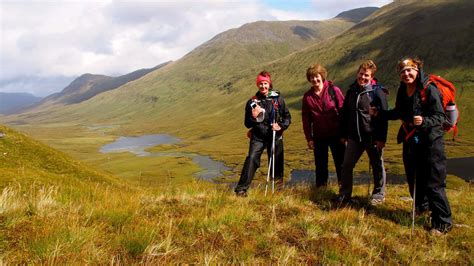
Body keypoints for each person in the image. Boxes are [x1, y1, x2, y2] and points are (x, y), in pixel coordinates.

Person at [373, 57, 452, 234]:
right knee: (414, 178)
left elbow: (440, 116)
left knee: (433, 183)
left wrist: (424, 120)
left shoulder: (429, 89)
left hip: (431, 142)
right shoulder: (403, 90)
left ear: (417, 69)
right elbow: (398, 112)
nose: (406, 74)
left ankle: (443, 223)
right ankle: (422, 209)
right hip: (411, 141)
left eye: (410, 70)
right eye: (403, 72)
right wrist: (380, 114)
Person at [336, 60, 388, 205]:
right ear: (357, 73)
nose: (363, 77)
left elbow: (383, 117)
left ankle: (378, 194)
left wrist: (381, 138)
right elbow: (345, 114)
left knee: (377, 165)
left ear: (371, 77)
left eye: (366, 75)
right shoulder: (352, 91)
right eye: (361, 74)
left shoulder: (377, 92)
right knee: (346, 165)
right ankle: (344, 195)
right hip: (354, 137)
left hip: (372, 137)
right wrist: (343, 134)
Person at [235, 71, 291, 197]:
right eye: (260, 84)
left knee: (277, 162)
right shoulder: (252, 102)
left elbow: (287, 117)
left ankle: (277, 191)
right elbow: (247, 124)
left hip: (275, 136)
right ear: (257, 85)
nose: (263, 86)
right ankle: (241, 190)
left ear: (269, 84)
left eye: (265, 83)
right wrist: (254, 117)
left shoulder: (278, 99)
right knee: (251, 159)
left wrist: (281, 126)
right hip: (258, 136)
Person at [302, 64, 345, 188]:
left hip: (337, 135)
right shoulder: (307, 96)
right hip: (319, 136)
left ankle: (344, 190)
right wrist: (309, 138)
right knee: (320, 165)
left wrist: (344, 133)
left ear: (322, 76)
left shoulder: (334, 90)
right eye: (312, 77)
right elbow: (306, 119)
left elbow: (343, 112)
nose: (315, 79)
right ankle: (321, 191)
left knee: (341, 164)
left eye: (316, 76)